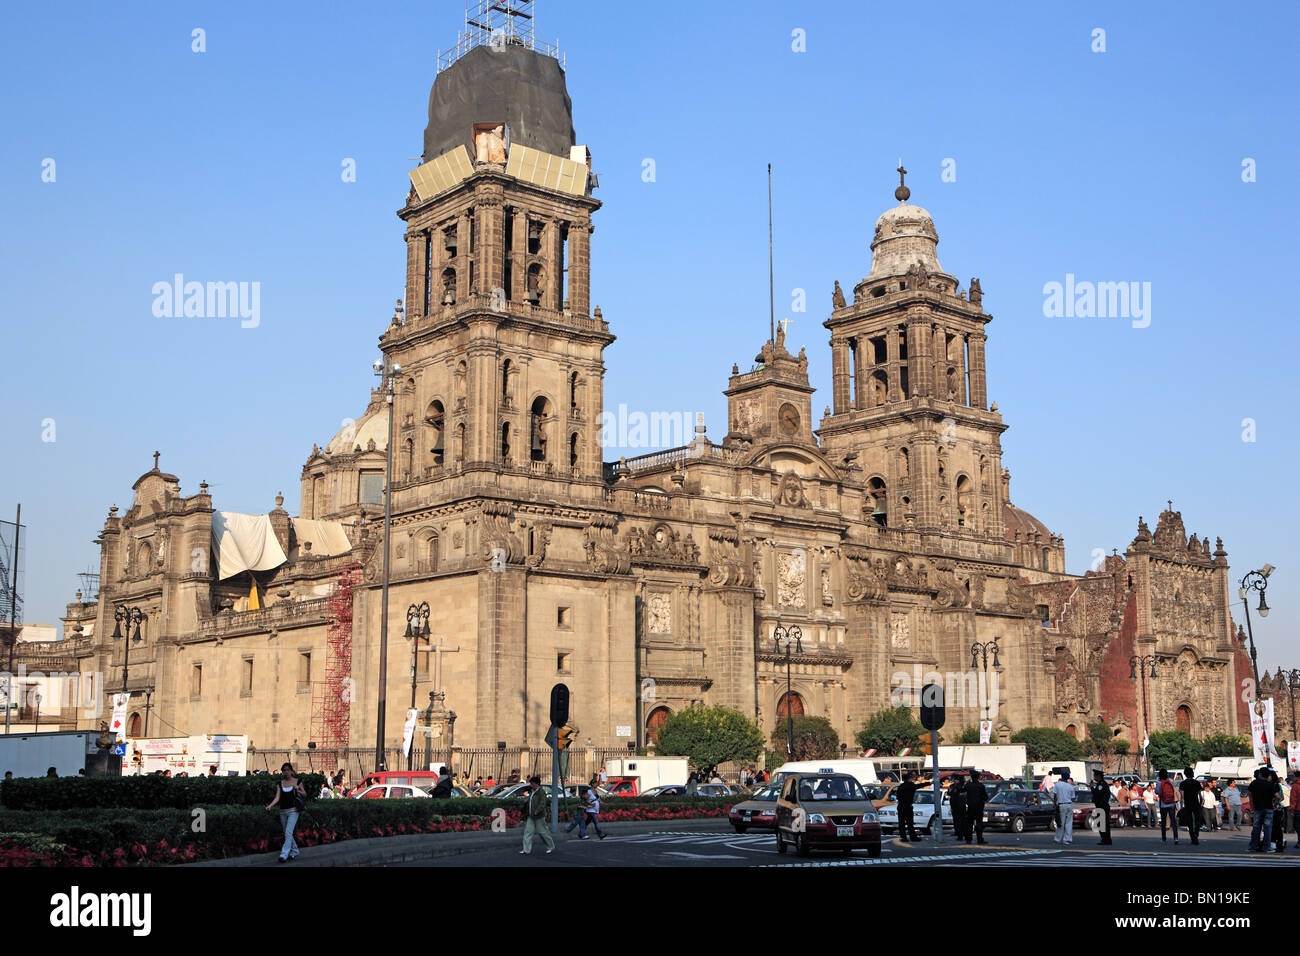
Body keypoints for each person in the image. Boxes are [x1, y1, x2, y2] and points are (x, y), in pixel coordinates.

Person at [264, 762, 306, 862]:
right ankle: (295, 850)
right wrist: (270, 805)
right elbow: (277, 797)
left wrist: (298, 790)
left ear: (291, 771)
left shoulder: (297, 781)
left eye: (288, 770)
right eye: (284, 770)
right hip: (282, 811)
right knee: (287, 833)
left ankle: (284, 854)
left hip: (293, 810)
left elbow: (304, 794)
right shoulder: (280, 783)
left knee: (288, 832)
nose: (286, 772)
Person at [519, 775, 555, 856]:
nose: (531, 785)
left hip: (539, 816)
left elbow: (542, 803)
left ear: (536, 784)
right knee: (528, 832)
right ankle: (526, 849)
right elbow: (530, 800)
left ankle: (550, 846)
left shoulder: (541, 792)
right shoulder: (532, 791)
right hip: (531, 816)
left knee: (543, 832)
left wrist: (537, 811)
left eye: (532, 783)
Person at [1178, 768, 1202, 846]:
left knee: (1189, 822)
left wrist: (1181, 806)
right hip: (1196, 803)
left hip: (1187, 804)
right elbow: (1200, 795)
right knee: (1198, 819)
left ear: (1185, 774)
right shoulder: (1197, 783)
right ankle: (1196, 832)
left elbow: (1182, 796)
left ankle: (1193, 837)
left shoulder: (1183, 783)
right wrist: (1200, 803)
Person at [1051, 771, 1075, 845]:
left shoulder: (1057, 785)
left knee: (1060, 822)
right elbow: (1072, 797)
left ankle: (1057, 839)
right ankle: (1067, 839)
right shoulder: (1070, 786)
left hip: (1061, 805)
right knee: (1069, 823)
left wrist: (1055, 804)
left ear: (1061, 777)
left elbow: (1055, 795)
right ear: (1068, 778)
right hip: (1069, 804)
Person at [895, 771, 920, 842]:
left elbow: (898, 796)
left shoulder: (901, 786)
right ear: (909, 779)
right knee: (910, 823)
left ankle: (903, 837)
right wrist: (929, 783)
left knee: (901, 823)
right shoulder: (911, 785)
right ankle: (913, 837)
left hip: (901, 806)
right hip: (908, 806)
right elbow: (918, 786)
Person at [964, 770, 987, 844]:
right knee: (979, 823)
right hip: (979, 807)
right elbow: (985, 797)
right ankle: (979, 838)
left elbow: (963, 792)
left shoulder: (968, 785)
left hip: (970, 806)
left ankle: (968, 839)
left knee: (969, 823)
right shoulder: (981, 786)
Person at [1156, 770, 1179, 843]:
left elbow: (1157, 792)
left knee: (1163, 821)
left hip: (1163, 804)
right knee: (1173, 821)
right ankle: (1175, 837)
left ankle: (1164, 838)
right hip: (1171, 803)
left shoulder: (1159, 783)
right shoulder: (1171, 782)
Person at [1091, 770, 1113, 846]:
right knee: (1101, 824)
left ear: (1099, 776)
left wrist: (1092, 788)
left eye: (1095, 776)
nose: (1094, 777)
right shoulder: (1101, 784)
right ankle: (1105, 839)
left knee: (1102, 824)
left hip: (1102, 806)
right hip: (1101, 806)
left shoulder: (1101, 785)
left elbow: (1098, 794)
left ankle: (1106, 839)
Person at [949, 774, 968, 842]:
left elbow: (953, 796)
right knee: (958, 821)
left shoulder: (959, 787)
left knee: (960, 821)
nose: (955, 781)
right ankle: (959, 833)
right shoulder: (955, 786)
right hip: (958, 806)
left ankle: (960, 835)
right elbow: (950, 795)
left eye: (956, 779)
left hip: (959, 806)